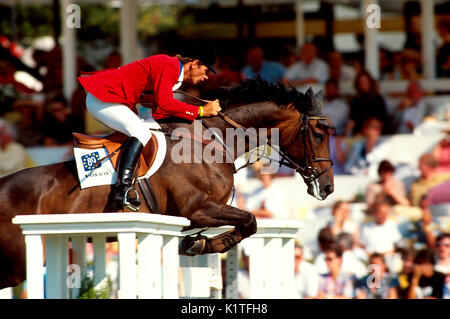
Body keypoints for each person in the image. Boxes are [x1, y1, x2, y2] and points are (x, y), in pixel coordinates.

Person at [77, 42, 221, 211]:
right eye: (206, 70)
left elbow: (158, 112)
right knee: (141, 132)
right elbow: (165, 103)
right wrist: (201, 111)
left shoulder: (175, 77)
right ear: (195, 64)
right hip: (103, 98)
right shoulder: (170, 65)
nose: (206, 77)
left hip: (116, 101)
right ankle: (121, 191)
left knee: (152, 131)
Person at [347, 70, 390, 135]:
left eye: (365, 81)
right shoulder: (355, 100)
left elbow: (382, 118)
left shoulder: (378, 98)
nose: (363, 83)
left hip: (375, 129)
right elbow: (353, 119)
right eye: (361, 82)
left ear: (370, 82)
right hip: (360, 131)